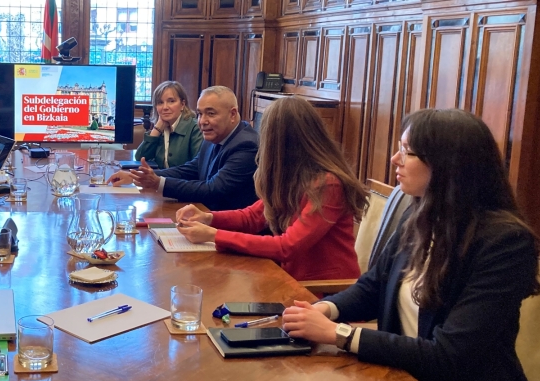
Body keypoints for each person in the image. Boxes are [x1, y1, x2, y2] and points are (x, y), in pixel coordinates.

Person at [282, 109, 540, 381]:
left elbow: (449, 355)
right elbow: (372, 288)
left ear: (447, 164)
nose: (394, 159)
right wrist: (326, 309)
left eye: (406, 151)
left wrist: (339, 334)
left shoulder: (504, 243)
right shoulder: (420, 217)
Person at [174, 97, 367, 281]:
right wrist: (208, 218)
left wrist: (214, 235)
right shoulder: (292, 175)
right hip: (290, 279)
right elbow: (253, 216)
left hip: (323, 292)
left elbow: (287, 246)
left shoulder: (327, 184)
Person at [107, 86, 259, 211]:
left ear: (232, 114)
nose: (202, 121)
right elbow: (192, 168)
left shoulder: (246, 145)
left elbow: (213, 190)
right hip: (204, 217)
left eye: (211, 113)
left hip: (230, 231)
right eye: (199, 114)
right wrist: (138, 177)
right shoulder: (215, 133)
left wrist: (158, 183)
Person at [133, 81, 202, 169]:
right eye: (160, 102)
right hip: (161, 181)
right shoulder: (162, 128)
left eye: (171, 101)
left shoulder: (195, 128)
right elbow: (140, 158)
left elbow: (197, 168)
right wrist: (157, 129)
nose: (165, 107)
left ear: (182, 104)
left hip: (182, 182)